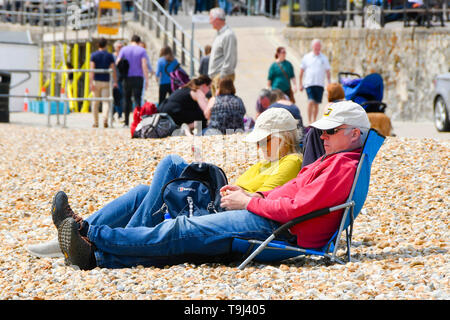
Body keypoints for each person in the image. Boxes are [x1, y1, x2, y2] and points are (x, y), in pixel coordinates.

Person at [48, 101, 371, 270]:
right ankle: (94, 253)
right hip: (268, 218)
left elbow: (296, 208)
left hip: (277, 230)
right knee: (178, 234)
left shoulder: (342, 167)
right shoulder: (333, 162)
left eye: (332, 131)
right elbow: (287, 195)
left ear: (355, 134)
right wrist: (255, 196)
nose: (324, 137)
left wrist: (249, 202)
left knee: (179, 231)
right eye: (323, 131)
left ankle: (91, 235)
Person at [28, 108, 303, 262]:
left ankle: (105, 241)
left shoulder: (290, 160)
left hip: (224, 215)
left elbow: (260, 198)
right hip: (219, 205)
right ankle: (71, 235)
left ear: (283, 138)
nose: (259, 147)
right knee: (141, 192)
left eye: (264, 140)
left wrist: (238, 192)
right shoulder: (265, 162)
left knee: (171, 163)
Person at [116, 35, 150, 127]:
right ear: (139, 42)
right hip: (138, 77)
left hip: (127, 78)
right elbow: (144, 65)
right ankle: (138, 121)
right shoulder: (142, 50)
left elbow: (118, 62)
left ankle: (126, 122)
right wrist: (146, 79)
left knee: (127, 99)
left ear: (131, 41)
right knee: (137, 100)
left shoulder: (124, 49)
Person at [299, 39, 331, 124]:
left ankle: (314, 120)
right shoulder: (307, 57)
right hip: (309, 83)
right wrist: (300, 83)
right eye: (316, 46)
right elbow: (301, 71)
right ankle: (309, 121)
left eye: (319, 46)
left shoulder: (324, 58)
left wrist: (329, 83)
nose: (317, 48)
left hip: (319, 84)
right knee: (310, 101)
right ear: (312, 47)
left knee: (316, 104)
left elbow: (328, 71)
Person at [208, 7, 237, 96]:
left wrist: (221, 78)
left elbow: (230, 59)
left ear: (217, 20)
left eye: (211, 19)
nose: (210, 22)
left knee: (222, 107)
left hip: (222, 79)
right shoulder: (220, 34)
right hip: (216, 78)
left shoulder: (228, 35)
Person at [89, 37, 118, 128]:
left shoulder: (94, 55)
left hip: (96, 80)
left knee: (95, 102)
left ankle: (96, 122)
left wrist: (90, 82)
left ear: (98, 45)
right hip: (106, 81)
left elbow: (91, 69)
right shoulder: (109, 56)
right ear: (106, 45)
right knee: (106, 102)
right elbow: (113, 69)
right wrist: (115, 81)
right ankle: (105, 119)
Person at [138, 41, 154, 107]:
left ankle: (140, 108)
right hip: (137, 76)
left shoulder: (145, 55)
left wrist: (152, 72)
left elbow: (148, 65)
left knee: (142, 93)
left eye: (143, 47)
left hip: (142, 76)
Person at [112, 40, 124, 121]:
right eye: (118, 47)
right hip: (113, 79)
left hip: (122, 79)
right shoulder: (112, 56)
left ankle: (119, 114)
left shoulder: (124, 57)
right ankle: (112, 114)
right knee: (114, 97)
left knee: (120, 97)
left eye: (121, 47)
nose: (120, 48)